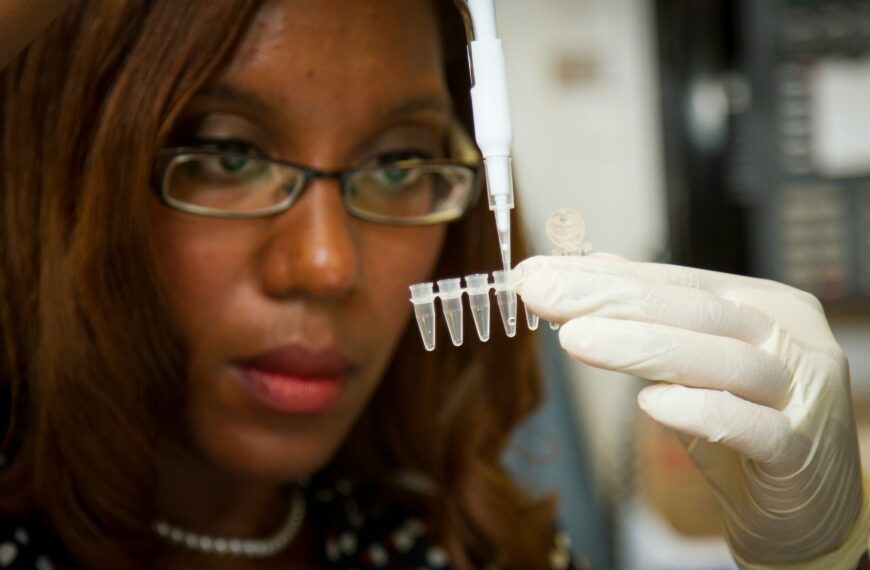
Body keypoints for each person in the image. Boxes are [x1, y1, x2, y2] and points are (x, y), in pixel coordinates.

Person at [0, 1, 867, 569]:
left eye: (396, 163)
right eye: (229, 155)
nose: (328, 267)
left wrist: (825, 563)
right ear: (66, 173)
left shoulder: (469, 546)